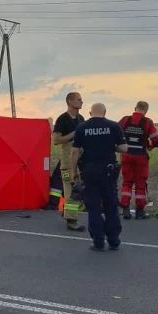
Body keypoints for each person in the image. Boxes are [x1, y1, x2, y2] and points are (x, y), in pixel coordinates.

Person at [71, 103, 128, 251]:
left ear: (90, 113)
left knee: (93, 206)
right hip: (108, 170)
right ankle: (114, 240)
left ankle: (98, 241)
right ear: (105, 112)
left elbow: (74, 152)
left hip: (89, 170)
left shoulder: (82, 127)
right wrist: (111, 146)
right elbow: (123, 148)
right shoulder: (114, 126)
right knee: (110, 204)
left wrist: (73, 172)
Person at [117, 101, 158, 220]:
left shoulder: (125, 120)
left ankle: (125, 209)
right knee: (140, 184)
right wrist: (150, 146)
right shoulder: (148, 122)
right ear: (146, 110)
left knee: (127, 182)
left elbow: (115, 133)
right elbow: (156, 140)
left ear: (135, 108)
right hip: (141, 156)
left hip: (126, 154)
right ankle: (139, 211)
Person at [53, 92, 86, 230]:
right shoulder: (62, 119)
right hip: (67, 161)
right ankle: (71, 221)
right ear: (70, 101)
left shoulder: (81, 118)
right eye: (79, 100)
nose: (81, 102)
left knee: (80, 188)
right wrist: (75, 133)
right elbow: (56, 140)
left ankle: (68, 212)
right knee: (72, 189)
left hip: (80, 157)